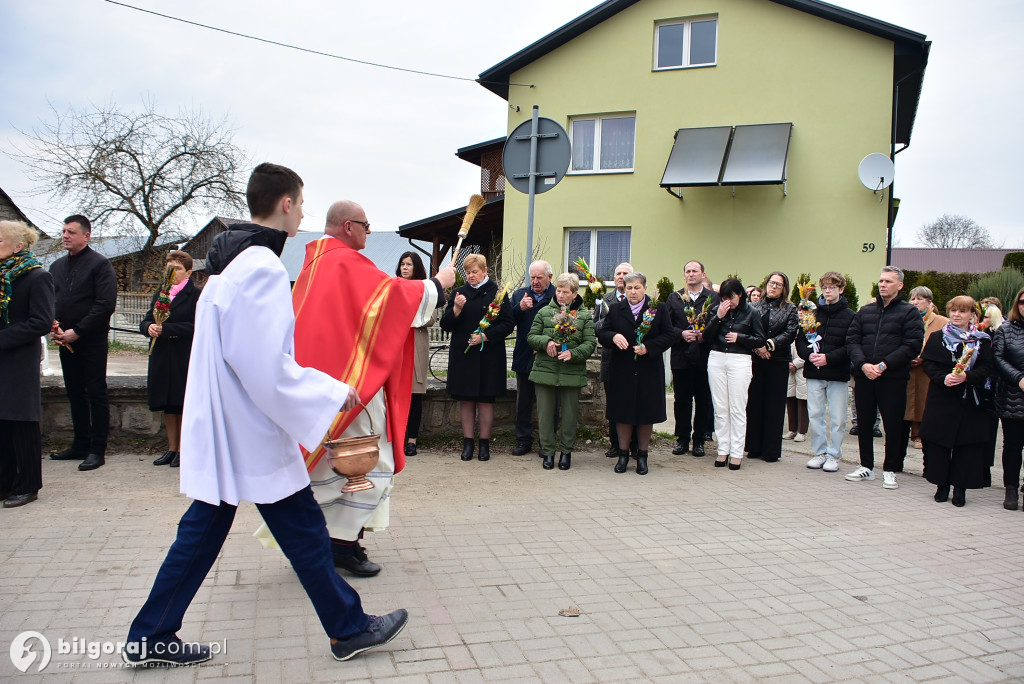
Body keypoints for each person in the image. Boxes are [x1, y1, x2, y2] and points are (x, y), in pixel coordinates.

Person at [122, 163, 408, 667]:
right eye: (301, 204)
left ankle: (151, 635)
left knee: (214, 532)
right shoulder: (261, 268)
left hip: (231, 426)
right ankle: (348, 629)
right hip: (250, 429)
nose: (302, 215)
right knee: (301, 532)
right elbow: (263, 364)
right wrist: (330, 393)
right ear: (286, 204)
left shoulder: (230, 266)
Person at [291, 202, 454, 577]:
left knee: (328, 468)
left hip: (323, 381)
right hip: (348, 387)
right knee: (365, 464)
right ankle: (340, 547)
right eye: (365, 225)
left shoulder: (317, 262)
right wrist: (437, 285)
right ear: (348, 226)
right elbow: (389, 299)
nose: (368, 231)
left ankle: (322, 542)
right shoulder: (342, 261)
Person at [48, 215, 117, 472]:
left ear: (86, 236)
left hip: (91, 340)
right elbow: (51, 301)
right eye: (64, 231)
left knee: (95, 392)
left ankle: (97, 449)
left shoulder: (100, 264)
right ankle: (80, 444)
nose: (65, 236)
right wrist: (54, 327)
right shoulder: (56, 266)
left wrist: (77, 331)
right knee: (74, 391)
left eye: (71, 232)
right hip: (65, 339)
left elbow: (105, 304)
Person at [844, 266, 923, 489]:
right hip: (865, 376)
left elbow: (912, 344)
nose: (883, 284)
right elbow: (852, 340)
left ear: (900, 285)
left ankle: (890, 469)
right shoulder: (866, 311)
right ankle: (866, 466)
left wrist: (883, 365)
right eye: (881, 281)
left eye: (888, 281)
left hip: (893, 378)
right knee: (864, 423)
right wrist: (863, 364)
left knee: (893, 424)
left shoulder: (909, 312)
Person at [597, 272, 676, 475]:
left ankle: (642, 455)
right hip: (622, 370)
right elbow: (603, 333)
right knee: (622, 412)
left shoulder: (658, 308)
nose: (633, 292)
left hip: (648, 370)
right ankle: (623, 455)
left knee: (645, 413)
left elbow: (669, 335)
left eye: (637, 287)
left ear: (645, 289)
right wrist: (613, 336)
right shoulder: (616, 309)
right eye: (629, 288)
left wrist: (648, 347)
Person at [920, 296, 994, 507]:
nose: (956, 315)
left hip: (970, 399)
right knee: (939, 442)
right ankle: (941, 484)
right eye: (953, 310)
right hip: (942, 397)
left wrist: (967, 377)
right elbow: (928, 364)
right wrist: (943, 378)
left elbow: (987, 367)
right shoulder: (938, 337)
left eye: (962, 311)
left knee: (967, 444)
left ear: (972, 315)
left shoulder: (982, 340)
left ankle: (960, 487)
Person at [440, 254, 514, 462]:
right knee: (466, 399)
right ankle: (468, 443)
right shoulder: (459, 293)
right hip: (464, 356)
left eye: (475, 272)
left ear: (485, 271)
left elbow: (508, 323)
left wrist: (486, 336)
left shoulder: (497, 293)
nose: (471, 276)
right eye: (468, 273)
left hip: (489, 355)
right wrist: (456, 309)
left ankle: (484, 444)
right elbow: (446, 325)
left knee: (485, 400)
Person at [0, 220, 54, 507]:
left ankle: (29, 485)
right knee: (2, 424)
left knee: (22, 422)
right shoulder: (2, 276)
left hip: (19, 359)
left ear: (18, 246)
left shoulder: (36, 276)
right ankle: (5, 483)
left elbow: (41, 321)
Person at [527, 273, 596, 470]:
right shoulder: (544, 312)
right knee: (545, 415)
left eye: (565, 292)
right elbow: (531, 337)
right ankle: (548, 452)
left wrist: (573, 354)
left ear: (574, 294)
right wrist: (546, 342)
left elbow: (590, 343)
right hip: (545, 370)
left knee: (569, 415)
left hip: (571, 371)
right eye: (558, 291)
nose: (560, 295)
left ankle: (566, 452)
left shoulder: (584, 316)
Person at [141, 250, 199, 468]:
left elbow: (195, 326)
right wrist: (149, 327)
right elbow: (146, 320)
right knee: (168, 404)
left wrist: (167, 330)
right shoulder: (161, 293)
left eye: (177, 269)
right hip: (162, 355)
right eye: (169, 268)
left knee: (181, 402)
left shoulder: (195, 295)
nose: (172, 272)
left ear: (188, 272)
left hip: (182, 355)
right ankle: (171, 447)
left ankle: (184, 449)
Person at [796, 271, 855, 472]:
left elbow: (851, 345)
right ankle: (819, 452)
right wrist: (808, 355)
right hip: (815, 372)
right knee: (815, 414)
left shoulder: (850, 316)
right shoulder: (811, 313)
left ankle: (834, 455)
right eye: (825, 287)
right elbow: (801, 339)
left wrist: (828, 358)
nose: (828, 291)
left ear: (841, 289)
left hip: (837, 374)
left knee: (838, 418)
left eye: (832, 287)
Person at [704, 278, 765, 470]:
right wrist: (718, 317)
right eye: (724, 298)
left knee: (737, 408)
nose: (728, 302)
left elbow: (760, 339)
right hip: (717, 357)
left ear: (740, 294)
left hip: (740, 359)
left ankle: (737, 452)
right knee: (720, 407)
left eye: (731, 297)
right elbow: (706, 336)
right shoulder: (716, 309)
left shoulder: (752, 312)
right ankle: (723, 449)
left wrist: (740, 337)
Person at [666, 260, 718, 457]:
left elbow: (718, 323)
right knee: (682, 400)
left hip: (705, 356)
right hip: (681, 356)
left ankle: (699, 440)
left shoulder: (713, 297)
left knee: (703, 399)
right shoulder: (675, 298)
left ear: (703, 275)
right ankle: (682, 439)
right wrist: (681, 334)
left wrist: (705, 335)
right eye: (688, 271)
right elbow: (666, 325)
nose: (691, 274)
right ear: (684, 275)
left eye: (695, 271)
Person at [745, 271, 799, 462]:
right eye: (771, 282)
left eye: (778, 284)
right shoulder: (753, 306)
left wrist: (769, 345)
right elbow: (746, 328)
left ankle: (771, 451)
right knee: (754, 404)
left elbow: (790, 332)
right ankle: (754, 447)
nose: (774, 286)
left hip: (778, 362)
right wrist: (758, 347)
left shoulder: (790, 308)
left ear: (784, 288)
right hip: (756, 362)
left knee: (774, 406)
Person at [510, 260, 555, 455]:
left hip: (549, 357)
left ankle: (547, 442)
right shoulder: (520, 295)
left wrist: (545, 344)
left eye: (539, 277)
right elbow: (506, 321)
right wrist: (519, 308)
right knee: (524, 402)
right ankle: (523, 440)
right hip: (524, 355)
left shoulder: (558, 296)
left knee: (550, 403)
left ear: (550, 277)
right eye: (532, 277)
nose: (535, 281)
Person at [396, 251, 437, 457]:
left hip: (415, 344)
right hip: (396, 345)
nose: (405, 268)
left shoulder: (426, 289)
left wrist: (409, 314)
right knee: (395, 396)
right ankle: (396, 438)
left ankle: (412, 440)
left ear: (417, 267)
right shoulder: (393, 287)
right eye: (402, 264)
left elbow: (431, 318)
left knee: (414, 396)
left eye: (409, 264)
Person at [593, 262, 635, 457]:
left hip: (634, 360)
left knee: (634, 402)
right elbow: (595, 326)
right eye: (618, 273)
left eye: (625, 273)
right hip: (611, 359)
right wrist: (612, 318)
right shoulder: (604, 299)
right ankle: (615, 444)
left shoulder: (640, 300)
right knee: (614, 403)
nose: (621, 276)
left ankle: (634, 445)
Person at [903, 286, 948, 451]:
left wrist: (924, 357)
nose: (915, 302)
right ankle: (902, 436)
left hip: (927, 369)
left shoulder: (942, 322)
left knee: (924, 402)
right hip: (907, 367)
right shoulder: (904, 318)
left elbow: (944, 346)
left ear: (929, 303)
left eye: (919, 299)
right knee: (907, 404)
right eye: (912, 299)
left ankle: (920, 435)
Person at [994, 286, 1024, 510]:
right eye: (1022, 302)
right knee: (1012, 445)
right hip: (1013, 395)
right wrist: (1019, 378)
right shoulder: (1006, 329)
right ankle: (1011, 488)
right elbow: (998, 357)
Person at [784, 342, 808, 441]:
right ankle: (792, 429)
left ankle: (802, 431)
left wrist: (795, 363)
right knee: (790, 398)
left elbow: (809, 349)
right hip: (789, 368)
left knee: (802, 400)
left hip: (803, 369)